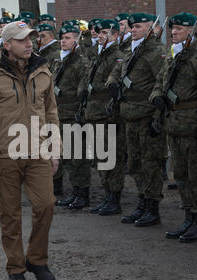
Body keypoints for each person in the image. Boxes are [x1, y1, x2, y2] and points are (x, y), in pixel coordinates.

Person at [0, 21, 59, 280]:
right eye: (22, 40)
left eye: (31, 39)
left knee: (45, 205)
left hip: (37, 152)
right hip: (4, 155)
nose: (29, 44)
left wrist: (55, 149)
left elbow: (52, 114)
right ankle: (16, 268)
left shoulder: (43, 71)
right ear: (7, 45)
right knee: (10, 215)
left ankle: (37, 259)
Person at [150, 12, 197, 241]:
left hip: (193, 125)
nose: (174, 32)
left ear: (190, 30)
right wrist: (157, 95)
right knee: (180, 174)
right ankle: (189, 216)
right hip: (174, 125)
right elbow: (160, 81)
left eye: (179, 29)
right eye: (173, 29)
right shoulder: (173, 55)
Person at [107, 13, 167, 226]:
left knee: (150, 163)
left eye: (138, 27)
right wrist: (113, 83)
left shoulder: (157, 53)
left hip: (146, 115)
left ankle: (152, 206)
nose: (132, 30)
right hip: (129, 115)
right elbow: (115, 72)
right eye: (131, 27)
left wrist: (158, 119)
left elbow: (162, 85)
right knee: (135, 162)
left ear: (151, 28)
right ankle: (142, 202)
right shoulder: (129, 51)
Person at [79, 19, 127, 216]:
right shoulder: (98, 55)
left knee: (110, 158)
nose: (99, 35)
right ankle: (107, 195)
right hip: (93, 113)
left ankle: (114, 198)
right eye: (98, 33)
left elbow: (111, 83)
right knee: (99, 158)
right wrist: (82, 89)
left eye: (104, 32)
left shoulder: (117, 56)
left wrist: (91, 88)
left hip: (107, 115)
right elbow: (86, 77)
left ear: (115, 36)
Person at [54, 25, 91, 210]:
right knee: (68, 156)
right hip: (61, 113)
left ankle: (83, 194)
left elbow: (82, 91)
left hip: (73, 114)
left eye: (68, 38)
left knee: (79, 157)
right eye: (62, 37)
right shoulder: (62, 60)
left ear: (76, 40)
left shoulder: (81, 62)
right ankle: (75, 192)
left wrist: (80, 115)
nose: (63, 40)